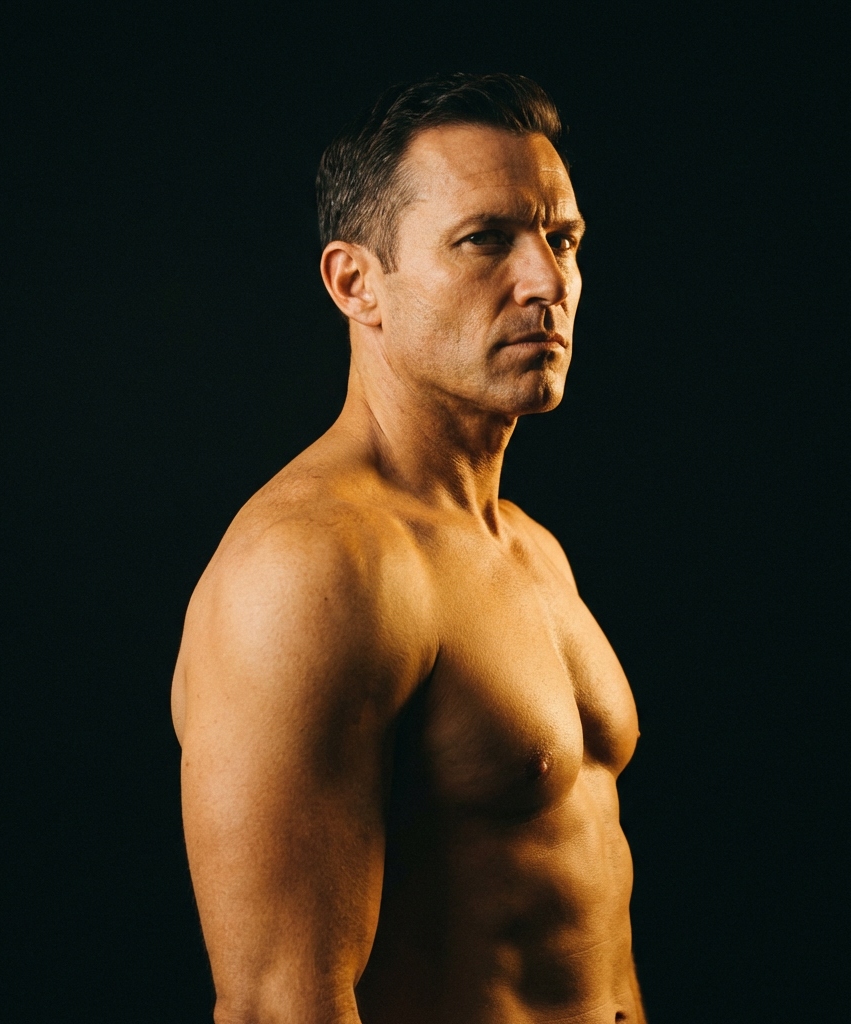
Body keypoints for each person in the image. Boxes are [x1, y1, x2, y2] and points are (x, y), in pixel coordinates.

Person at [171, 73, 646, 1024]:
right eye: (486, 240)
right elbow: (279, 1006)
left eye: (562, 239)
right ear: (357, 284)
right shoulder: (312, 567)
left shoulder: (528, 547)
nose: (548, 283)